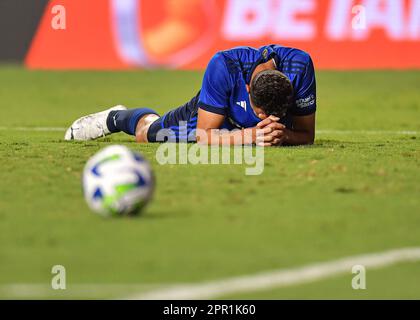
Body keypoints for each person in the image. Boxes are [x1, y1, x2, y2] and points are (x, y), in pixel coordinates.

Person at [65, 45, 316, 146]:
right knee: (147, 135)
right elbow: (203, 135)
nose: (269, 120)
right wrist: (249, 135)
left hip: (239, 122)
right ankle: (114, 118)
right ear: (248, 89)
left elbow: (307, 134)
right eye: (262, 115)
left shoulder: (300, 67)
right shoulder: (224, 65)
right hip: (217, 112)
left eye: (277, 116)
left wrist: (287, 135)